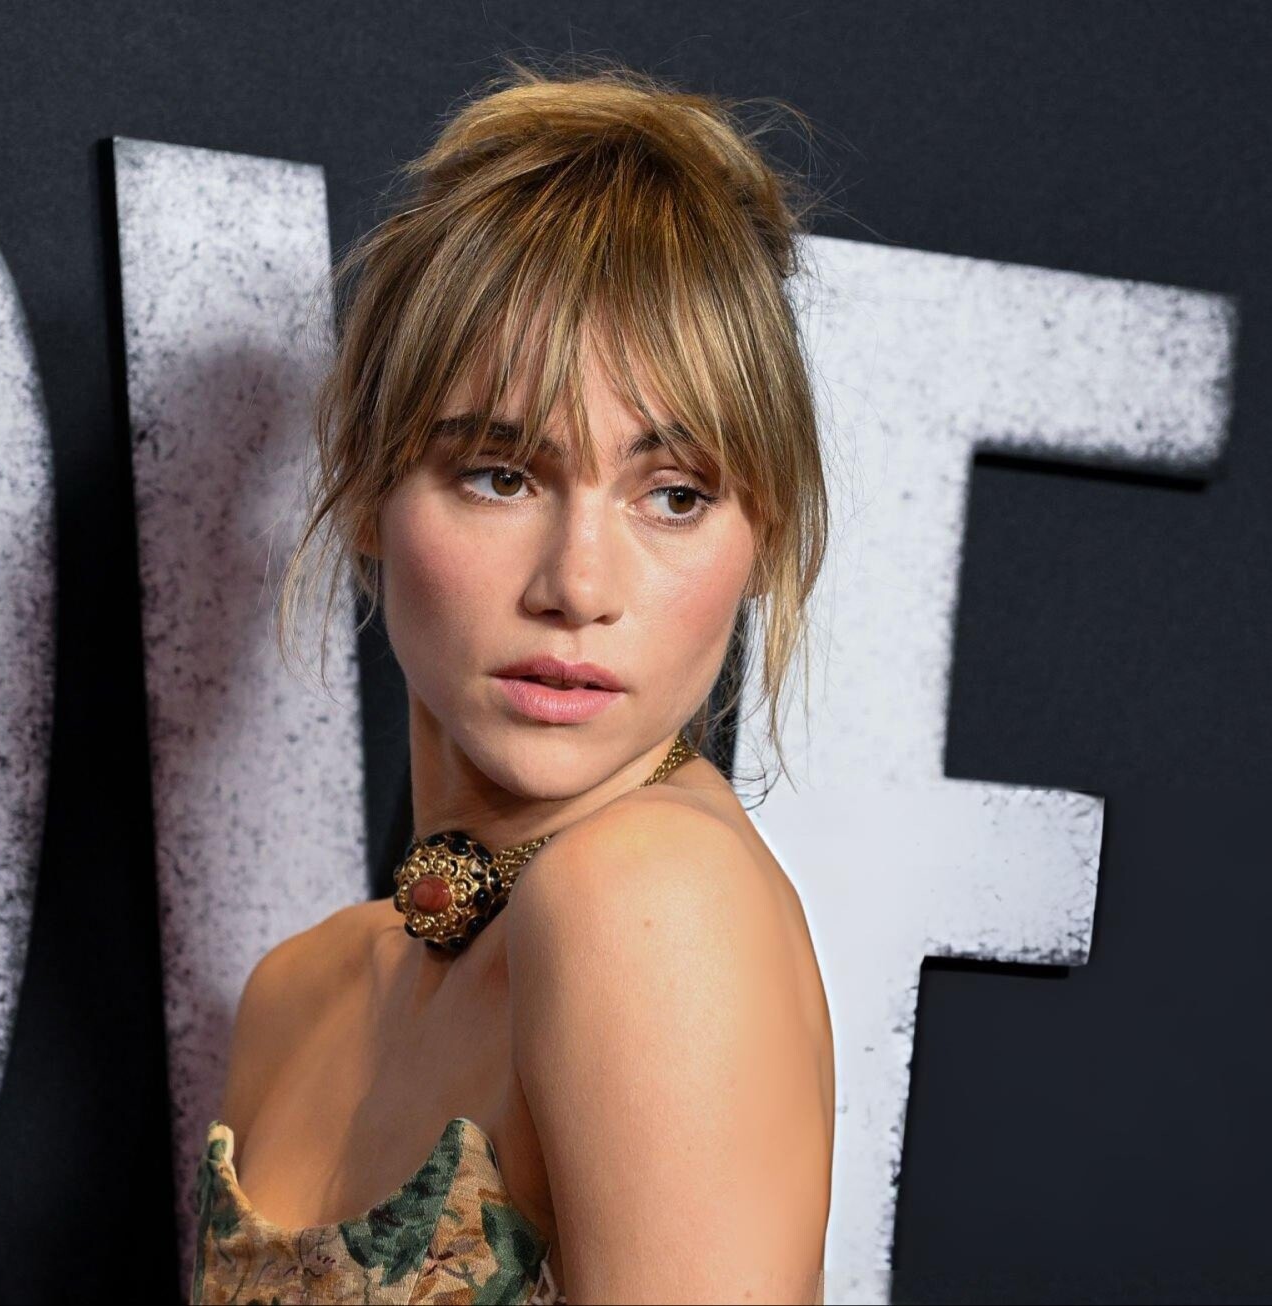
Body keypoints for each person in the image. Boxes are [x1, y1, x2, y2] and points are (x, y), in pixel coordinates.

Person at [189, 54, 835, 1304]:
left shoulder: (648, 892)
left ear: (762, 536)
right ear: (367, 485)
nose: (577, 583)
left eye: (673, 494)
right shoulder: (297, 991)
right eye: (500, 473)